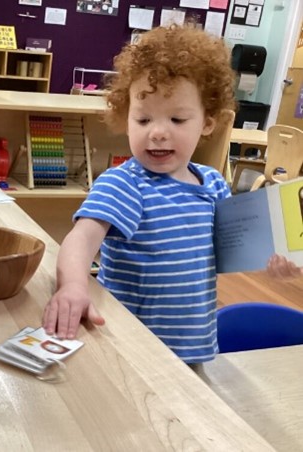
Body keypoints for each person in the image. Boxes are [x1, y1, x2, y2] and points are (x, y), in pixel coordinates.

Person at [42, 25, 238, 365]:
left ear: (207, 122)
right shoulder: (126, 185)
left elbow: (232, 254)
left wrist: (273, 265)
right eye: (143, 119)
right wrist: (73, 285)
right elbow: (80, 239)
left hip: (195, 351)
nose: (158, 132)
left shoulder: (214, 185)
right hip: (131, 352)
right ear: (125, 115)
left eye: (177, 119)